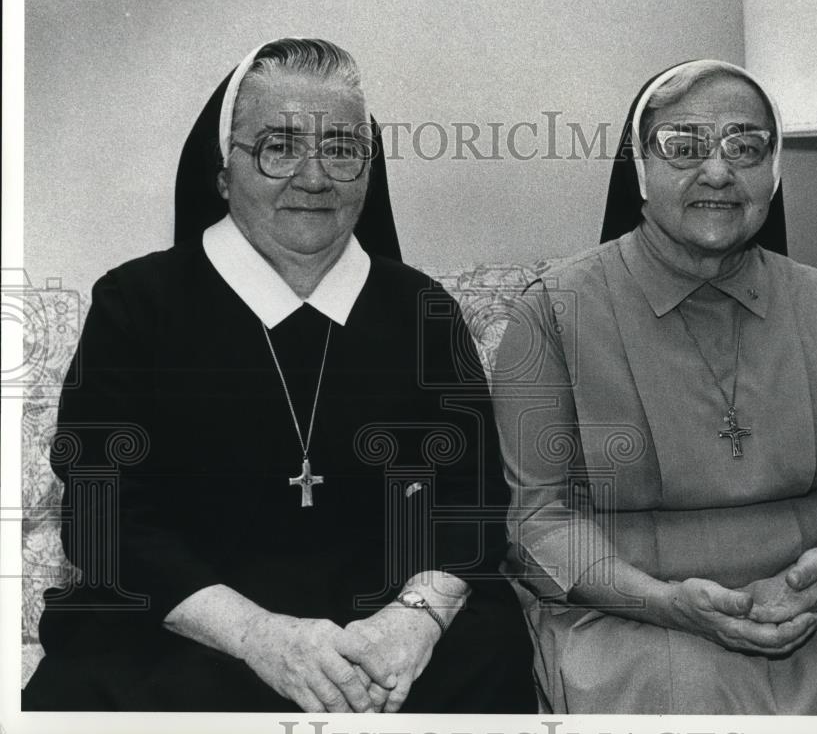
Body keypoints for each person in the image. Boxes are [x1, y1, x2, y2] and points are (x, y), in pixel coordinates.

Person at [23, 37, 536, 713]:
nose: (315, 176)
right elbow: (103, 515)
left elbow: (471, 502)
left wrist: (411, 622)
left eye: (343, 147)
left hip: (386, 631)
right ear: (223, 169)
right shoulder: (136, 305)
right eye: (279, 145)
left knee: (487, 659)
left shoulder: (422, 308)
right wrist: (259, 636)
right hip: (189, 627)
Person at [492, 59, 817, 715]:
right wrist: (664, 601)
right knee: (688, 687)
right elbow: (537, 519)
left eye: (744, 147)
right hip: (630, 609)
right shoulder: (551, 310)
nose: (716, 171)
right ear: (640, 169)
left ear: (771, 175)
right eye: (683, 146)